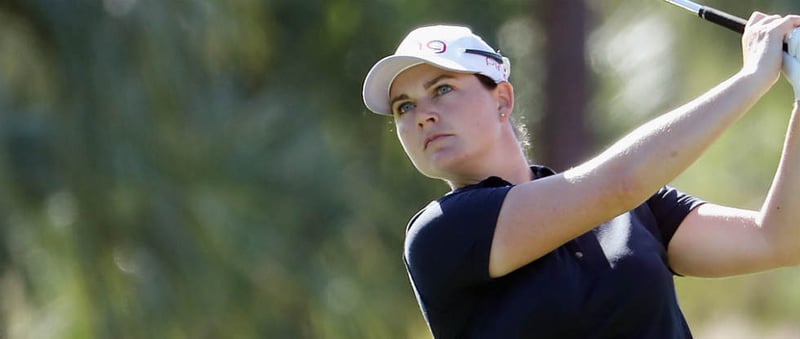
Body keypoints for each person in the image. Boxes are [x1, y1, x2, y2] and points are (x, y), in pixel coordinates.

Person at [362, 12, 800, 338]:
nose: (422, 116)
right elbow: (618, 183)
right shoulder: (440, 233)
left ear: (502, 100)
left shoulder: (636, 208)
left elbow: (779, 238)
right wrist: (751, 78)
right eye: (405, 106)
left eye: (442, 89)